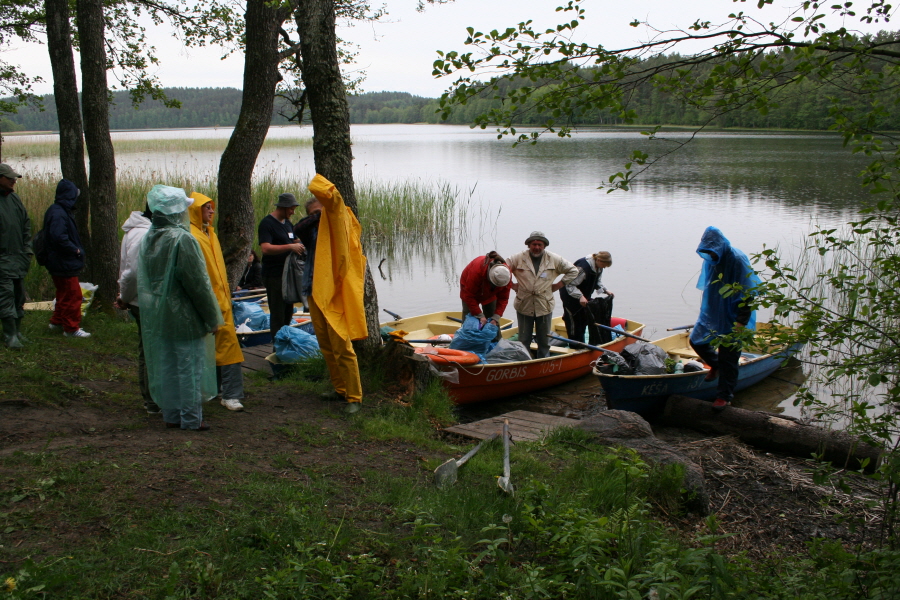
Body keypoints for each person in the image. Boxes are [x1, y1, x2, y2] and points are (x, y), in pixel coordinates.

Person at [138, 185, 223, 431]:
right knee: (189, 368)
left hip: (159, 315)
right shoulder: (182, 239)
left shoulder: (150, 238)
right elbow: (198, 284)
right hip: (184, 316)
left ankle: (171, 414)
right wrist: (212, 317)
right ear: (177, 212)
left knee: (168, 366)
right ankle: (191, 419)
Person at [304, 175, 367, 414]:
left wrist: (324, 194)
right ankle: (339, 389)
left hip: (335, 295)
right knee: (326, 346)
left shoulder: (339, 219)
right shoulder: (311, 229)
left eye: (320, 211)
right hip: (314, 292)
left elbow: (334, 201)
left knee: (342, 346)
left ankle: (354, 397)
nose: (317, 216)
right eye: (313, 213)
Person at [689, 226, 761, 410]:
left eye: (712, 252)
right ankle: (715, 365)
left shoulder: (737, 260)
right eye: (707, 252)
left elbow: (748, 292)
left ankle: (724, 396)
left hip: (733, 314)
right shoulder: (712, 259)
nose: (710, 256)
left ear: (719, 247)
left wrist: (741, 321)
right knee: (697, 341)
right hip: (713, 312)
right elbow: (709, 286)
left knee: (729, 356)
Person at [188, 193, 246, 412]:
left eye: (212, 208)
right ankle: (218, 391)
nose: (212, 212)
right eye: (207, 208)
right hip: (207, 301)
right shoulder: (192, 236)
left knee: (228, 346)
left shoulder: (210, 234)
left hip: (222, 301)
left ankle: (228, 393)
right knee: (211, 348)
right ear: (195, 210)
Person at [506, 231, 578, 358]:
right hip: (524, 304)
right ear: (529, 245)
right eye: (534, 244)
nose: (537, 247)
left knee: (544, 340)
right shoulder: (517, 258)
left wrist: (559, 285)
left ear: (544, 246)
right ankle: (525, 361)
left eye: (540, 244)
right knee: (523, 339)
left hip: (544, 304)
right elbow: (502, 269)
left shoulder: (554, 259)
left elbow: (573, 270)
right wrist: (511, 285)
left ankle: (543, 360)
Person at [115, 204, 156, 414]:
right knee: (150, 351)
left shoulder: (140, 230)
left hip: (141, 299)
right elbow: (131, 273)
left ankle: (153, 398)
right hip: (145, 302)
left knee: (148, 348)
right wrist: (125, 297)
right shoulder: (143, 234)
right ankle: (152, 400)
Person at [44, 179, 89, 338]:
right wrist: (74, 249)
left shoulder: (58, 210)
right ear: (69, 196)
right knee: (73, 295)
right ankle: (71, 329)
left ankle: (56, 322)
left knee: (63, 293)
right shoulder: (59, 213)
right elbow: (58, 237)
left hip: (59, 262)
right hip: (63, 262)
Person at [258, 193, 304, 337]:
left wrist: (303, 244)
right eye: (291, 209)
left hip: (287, 275)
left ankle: (285, 342)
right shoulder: (267, 223)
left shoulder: (288, 223)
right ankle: (277, 347)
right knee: (277, 313)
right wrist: (289, 247)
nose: (293, 212)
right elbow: (265, 248)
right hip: (274, 275)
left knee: (287, 312)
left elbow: (294, 240)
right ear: (283, 207)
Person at [0, 163, 31, 350]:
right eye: (9, 177)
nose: (13, 181)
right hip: (2, 260)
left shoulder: (15, 199)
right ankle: (10, 335)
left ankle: (18, 331)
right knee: (6, 296)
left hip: (19, 258)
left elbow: (26, 225)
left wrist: (27, 250)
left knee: (19, 296)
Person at [559, 251, 614, 346]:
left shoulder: (599, 267)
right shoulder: (583, 268)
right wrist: (580, 296)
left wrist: (605, 290)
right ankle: (574, 346)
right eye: (604, 265)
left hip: (584, 297)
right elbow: (569, 284)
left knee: (583, 320)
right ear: (599, 260)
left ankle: (582, 344)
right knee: (574, 323)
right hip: (570, 297)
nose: (604, 268)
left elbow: (597, 282)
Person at [459, 251, 512, 340]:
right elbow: (469, 296)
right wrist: (479, 315)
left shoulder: (506, 275)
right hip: (469, 289)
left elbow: (503, 299)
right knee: (469, 318)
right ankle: (465, 343)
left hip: (490, 293)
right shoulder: (476, 272)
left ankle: (495, 344)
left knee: (492, 319)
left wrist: (496, 317)